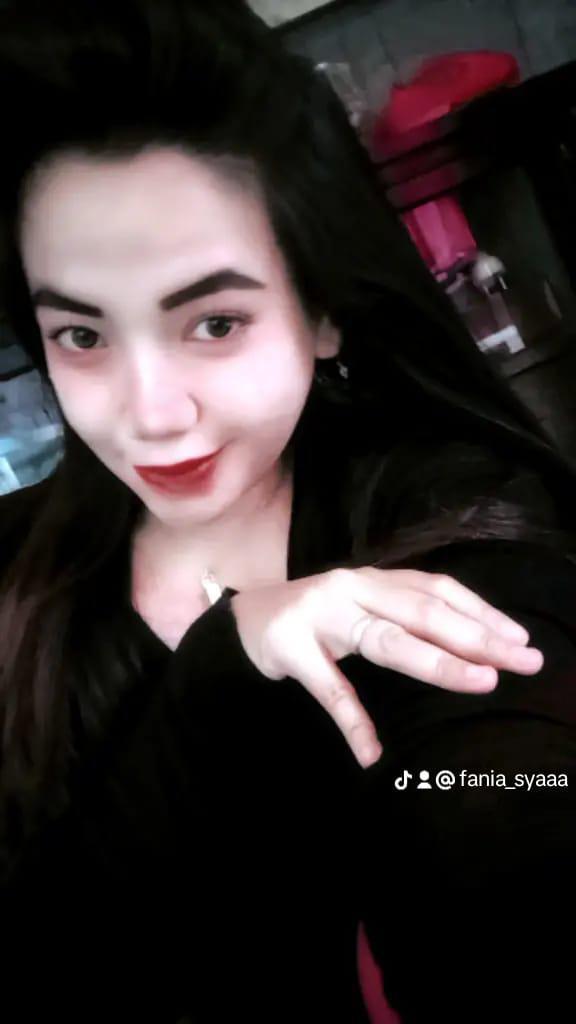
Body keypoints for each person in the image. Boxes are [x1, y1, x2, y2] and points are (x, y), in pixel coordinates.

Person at [0, 2, 574, 1022]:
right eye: (82, 336)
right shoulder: (15, 574)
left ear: (322, 311)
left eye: (215, 322)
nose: (152, 415)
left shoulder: (458, 525)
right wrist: (218, 675)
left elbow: (501, 802)